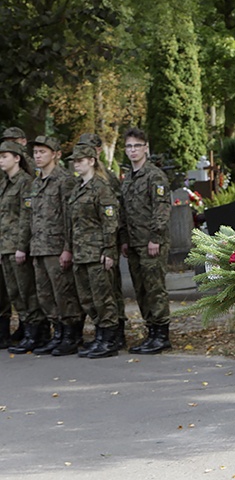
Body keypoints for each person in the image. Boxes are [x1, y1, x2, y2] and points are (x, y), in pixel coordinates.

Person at [22, 135, 79, 356]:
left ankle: (71, 334)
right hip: (38, 247)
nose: (37, 156)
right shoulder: (37, 182)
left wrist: (67, 247)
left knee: (63, 293)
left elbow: (69, 217)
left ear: (56, 154)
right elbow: (32, 217)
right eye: (35, 152)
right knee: (45, 294)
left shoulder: (64, 180)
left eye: (42, 152)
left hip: (56, 247)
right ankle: (57, 333)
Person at [119, 128, 172, 355]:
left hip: (151, 242)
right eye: (129, 146)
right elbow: (124, 212)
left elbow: (161, 209)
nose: (133, 150)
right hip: (134, 243)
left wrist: (155, 238)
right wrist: (123, 239)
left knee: (154, 288)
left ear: (146, 148)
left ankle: (162, 335)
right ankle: (151, 331)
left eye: (137, 146)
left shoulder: (154, 176)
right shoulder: (128, 178)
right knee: (140, 289)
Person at [67, 144, 120, 358]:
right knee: (87, 299)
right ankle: (100, 335)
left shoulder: (101, 187)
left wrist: (108, 250)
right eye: (75, 161)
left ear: (91, 160)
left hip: (97, 251)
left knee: (103, 298)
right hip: (81, 252)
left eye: (80, 160)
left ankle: (109, 339)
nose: (76, 164)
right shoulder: (78, 188)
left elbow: (110, 222)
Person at [77, 132, 127, 349]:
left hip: (103, 245)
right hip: (83, 248)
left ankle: (114, 334)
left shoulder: (106, 179)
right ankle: (103, 334)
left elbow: (114, 215)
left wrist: (113, 246)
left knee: (108, 292)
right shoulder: (79, 182)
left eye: (86, 150)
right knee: (92, 295)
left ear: (96, 152)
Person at [0, 142, 41, 351]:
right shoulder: (4, 183)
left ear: (17, 158)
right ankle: (26, 332)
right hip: (4, 246)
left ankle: (34, 333)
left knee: (26, 291)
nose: (0, 160)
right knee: (14, 292)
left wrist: (22, 246)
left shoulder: (25, 182)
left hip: (16, 245)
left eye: (4, 156)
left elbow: (26, 217)